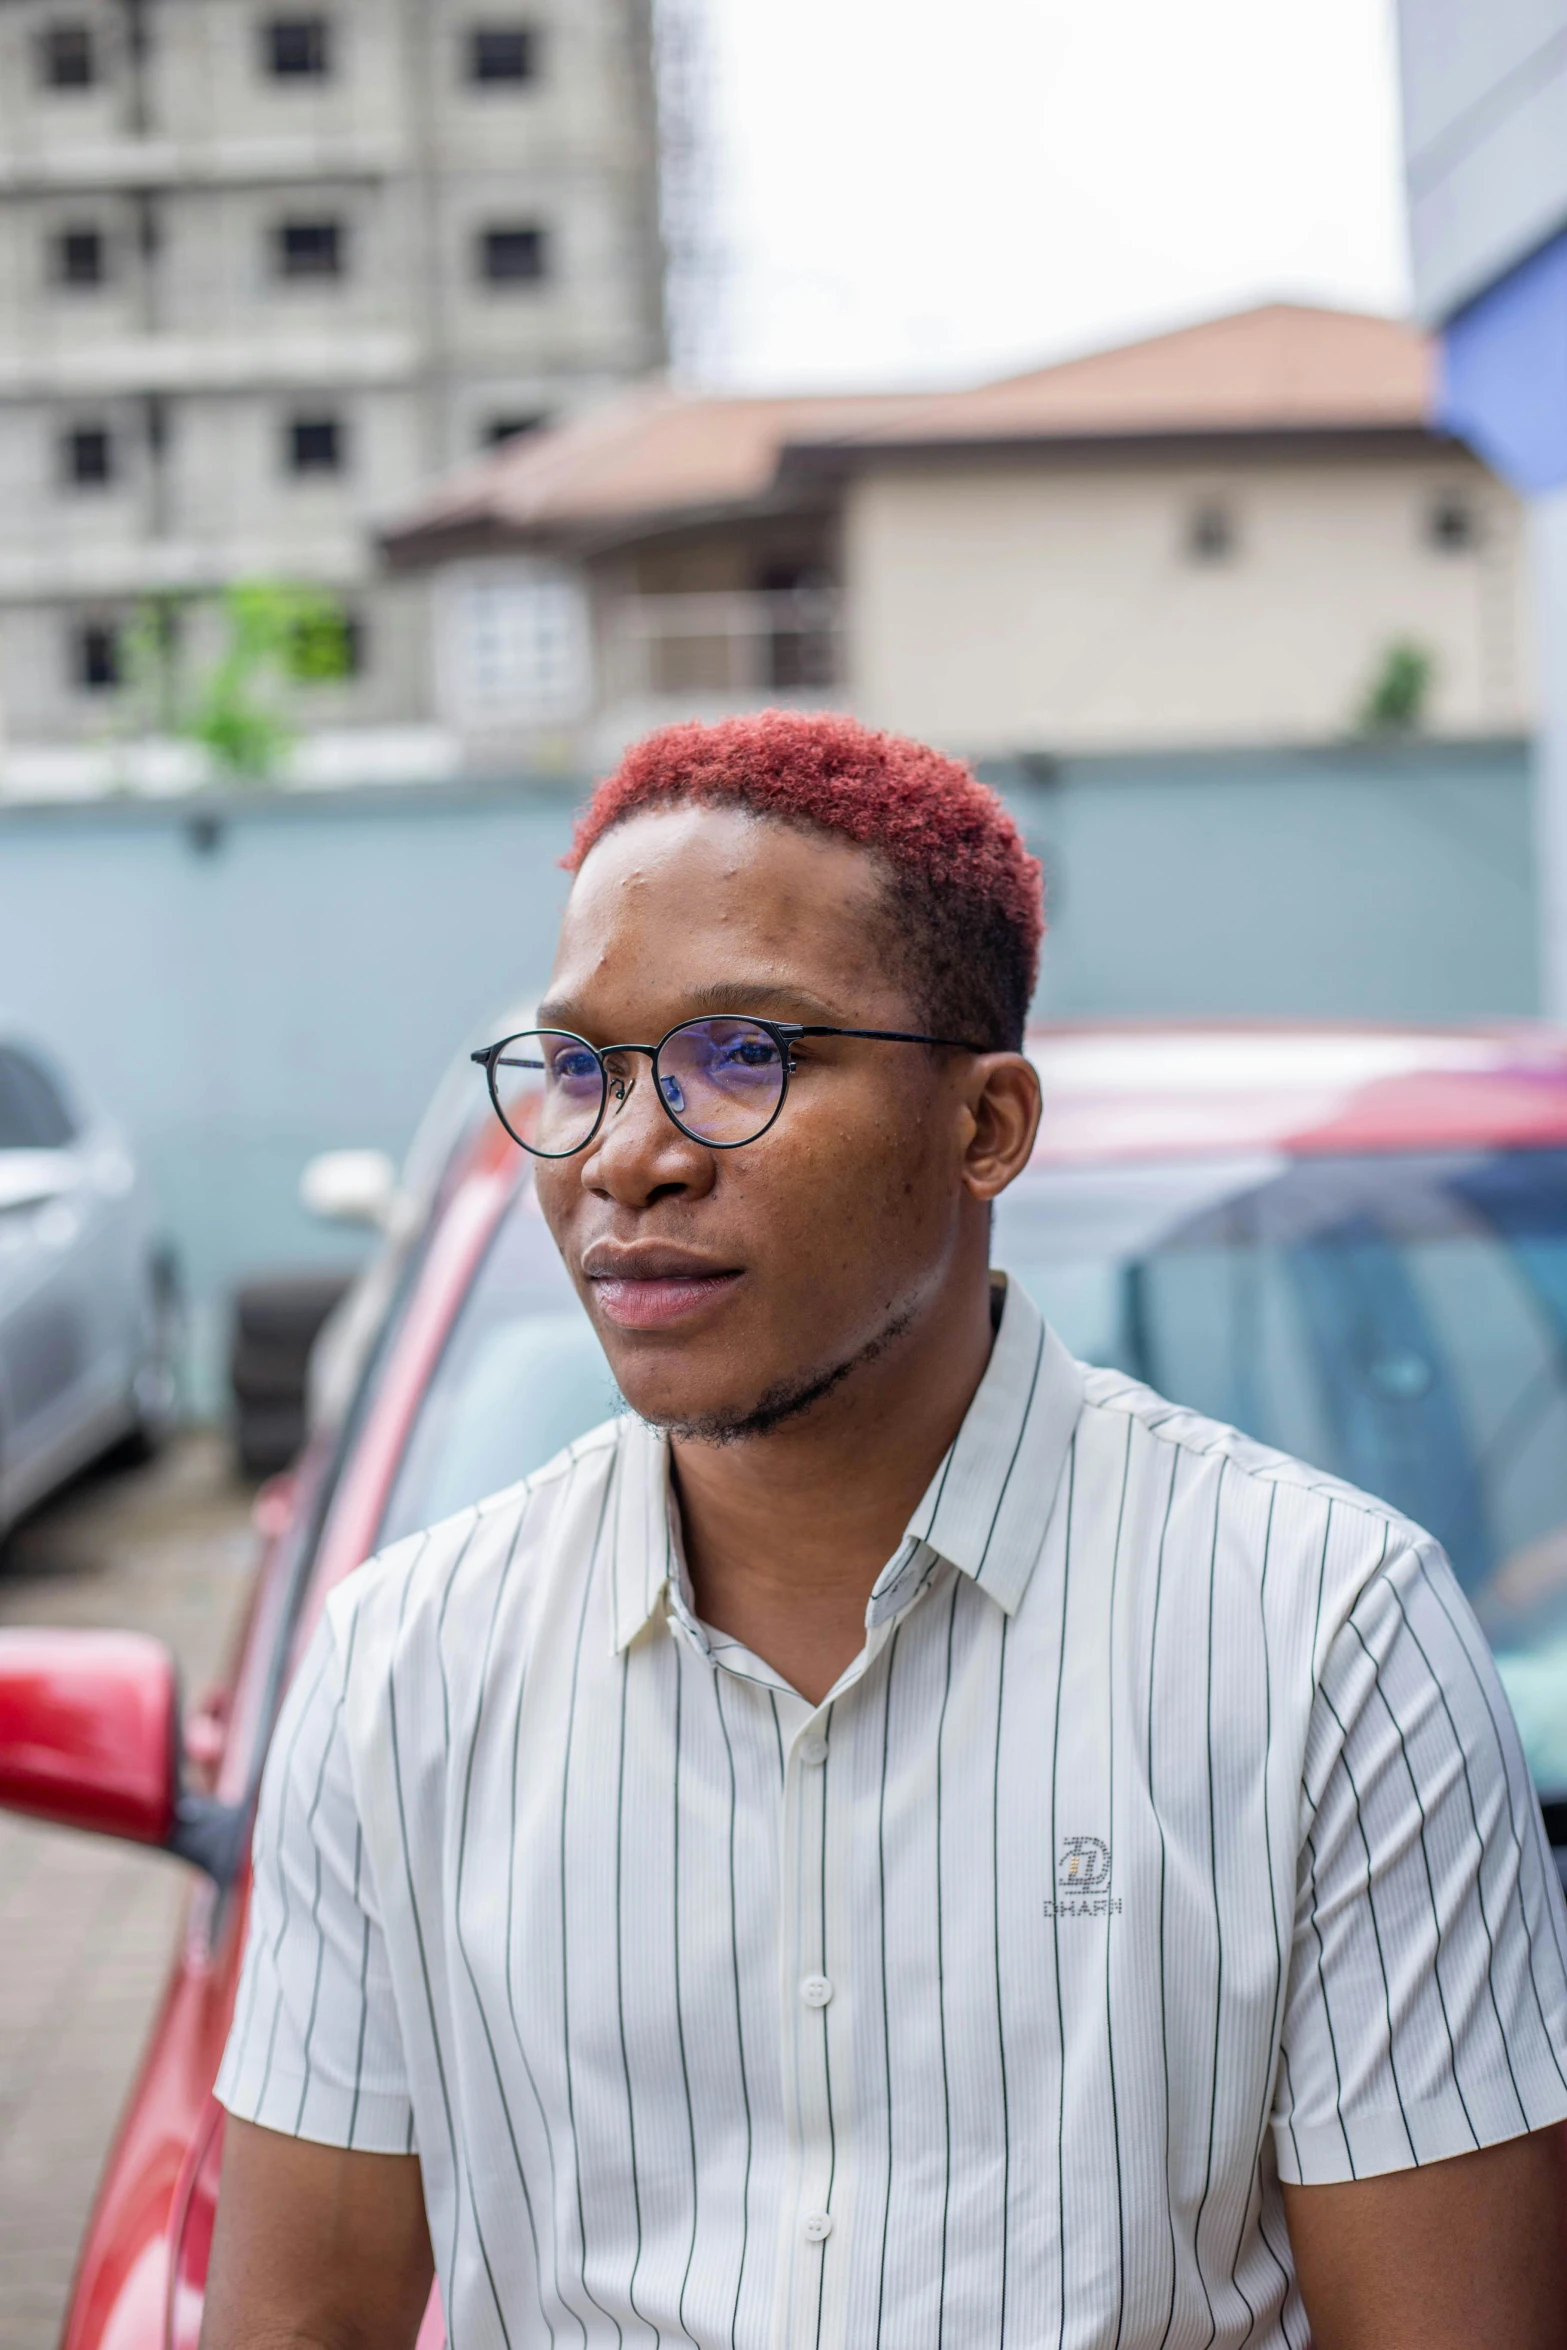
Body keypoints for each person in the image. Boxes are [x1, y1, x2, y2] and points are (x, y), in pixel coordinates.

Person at [203, 712, 1567, 2350]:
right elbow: (300, 2321)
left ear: (984, 1126)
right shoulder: (405, 1660)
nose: (627, 1156)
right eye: (578, 1067)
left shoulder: (1323, 1633)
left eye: (741, 1057)